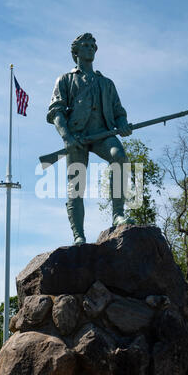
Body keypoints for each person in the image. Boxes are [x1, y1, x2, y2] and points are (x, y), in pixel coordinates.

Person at [47, 33, 135, 244]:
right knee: (76, 185)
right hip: (77, 138)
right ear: (75, 52)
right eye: (85, 45)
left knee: (120, 157)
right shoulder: (66, 80)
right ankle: (78, 234)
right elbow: (55, 112)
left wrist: (122, 124)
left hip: (103, 135)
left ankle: (118, 214)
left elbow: (119, 111)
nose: (90, 48)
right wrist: (67, 137)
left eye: (93, 45)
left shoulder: (106, 83)